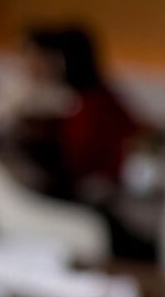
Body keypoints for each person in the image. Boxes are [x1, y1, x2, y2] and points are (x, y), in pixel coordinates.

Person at [20, 22, 144, 198]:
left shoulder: (93, 104)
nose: (33, 66)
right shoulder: (82, 99)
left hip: (103, 190)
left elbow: (81, 161)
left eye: (49, 58)